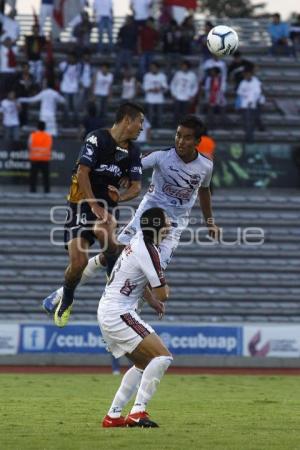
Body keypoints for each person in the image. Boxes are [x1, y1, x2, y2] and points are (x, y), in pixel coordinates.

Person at [43, 115, 219, 317]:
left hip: (173, 226)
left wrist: (210, 223)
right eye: (178, 135)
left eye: (187, 138)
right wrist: (122, 179)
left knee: (146, 271)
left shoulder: (206, 166)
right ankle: (60, 295)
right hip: (146, 217)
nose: (180, 141)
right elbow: (131, 166)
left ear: (198, 142)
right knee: (112, 255)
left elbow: (204, 191)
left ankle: (127, 316)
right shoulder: (161, 156)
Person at [52, 102, 144, 327]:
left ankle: (113, 276)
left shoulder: (133, 151)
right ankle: (67, 297)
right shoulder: (97, 138)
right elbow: (83, 173)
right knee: (78, 262)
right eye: (140, 122)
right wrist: (94, 205)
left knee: (104, 231)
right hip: (81, 201)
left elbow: (135, 187)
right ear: (127, 120)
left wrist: (118, 198)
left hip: (106, 202)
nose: (142, 127)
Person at [100, 207, 172, 428]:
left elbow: (133, 279)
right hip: (118, 312)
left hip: (110, 309)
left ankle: (113, 416)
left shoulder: (139, 240)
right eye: (167, 222)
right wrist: (161, 292)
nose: (170, 225)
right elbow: (163, 293)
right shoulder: (149, 251)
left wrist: (150, 300)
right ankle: (138, 412)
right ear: (158, 227)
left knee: (143, 363)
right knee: (162, 357)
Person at [236, 68, 263, 142]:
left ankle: (250, 138)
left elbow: (257, 93)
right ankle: (248, 137)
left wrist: (252, 100)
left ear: (250, 74)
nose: (246, 76)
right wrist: (245, 95)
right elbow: (239, 92)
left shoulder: (256, 82)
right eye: (245, 75)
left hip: (254, 104)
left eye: (247, 74)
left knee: (251, 121)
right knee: (246, 122)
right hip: (245, 104)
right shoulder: (243, 82)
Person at [170, 60, 198, 124]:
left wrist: (192, 95)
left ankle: (185, 125)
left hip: (187, 97)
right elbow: (173, 84)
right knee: (176, 112)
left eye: (185, 66)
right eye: (182, 66)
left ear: (188, 67)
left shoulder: (192, 75)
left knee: (185, 113)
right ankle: (175, 125)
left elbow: (195, 86)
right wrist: (173, 94)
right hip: (178, 96)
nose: (183, 67)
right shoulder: (178, 74)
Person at [28, 120, 53, 193]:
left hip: (35, 159)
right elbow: (50, 146)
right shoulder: (48, 136)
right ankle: (47, 190)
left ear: (37, 127)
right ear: (45, 127)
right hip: (45, 159)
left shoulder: (32, 135)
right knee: (46, 177)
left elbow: (29, 145)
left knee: (33, 176)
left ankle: (32, 190)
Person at [143, 61, 168, 128]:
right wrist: (152, 89)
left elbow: (165, 87)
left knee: (159, 115)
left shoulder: (162, 76)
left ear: (157, 68)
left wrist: (159, 89)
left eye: (154, 67)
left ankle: (159, 127)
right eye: (151, 68)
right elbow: (145, 87)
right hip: (150, 99)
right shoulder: (147, 76)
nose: (152, 69)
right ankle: (149, 128)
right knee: (150, 115)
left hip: (159, 99)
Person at [59, 53, 81, 126]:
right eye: (69, 57)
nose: (71, 59)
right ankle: (66, 123)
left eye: (72, 58)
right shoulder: (64, 65)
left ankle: (75, 122)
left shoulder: (78, 66)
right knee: (66, 107)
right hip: (66, 89)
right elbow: (60, 64)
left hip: (74, 89)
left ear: (75, 59)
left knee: (76, 107)